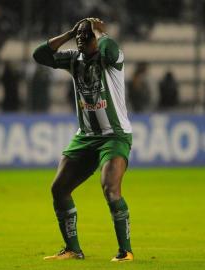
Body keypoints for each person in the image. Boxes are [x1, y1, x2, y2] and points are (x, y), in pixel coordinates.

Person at [33, 18, 133, 262]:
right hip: (86, 137)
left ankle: (125, 251)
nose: (80, 41)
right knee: (59, 188)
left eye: (84, 37)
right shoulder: (73, 58)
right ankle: (73, 250)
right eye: (78, 37)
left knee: (110, 188)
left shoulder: (111, 56)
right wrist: (70, 32)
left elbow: (108, 49)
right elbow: (40, 55)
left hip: (114, 136)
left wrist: (99, 31)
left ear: (95, 39)